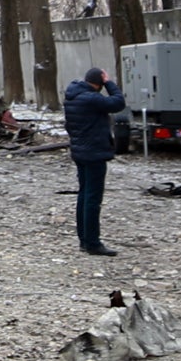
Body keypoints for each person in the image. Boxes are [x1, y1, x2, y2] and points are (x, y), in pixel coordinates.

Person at [63, 66, 126, 256]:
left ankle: (84, 239)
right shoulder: (92, 98)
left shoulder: (73, 96)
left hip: (80, 151)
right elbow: (118, 103)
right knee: (92, 198)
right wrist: (109, 83)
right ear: (98, 83)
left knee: (84, 195)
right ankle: (92, 242)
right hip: (94, 152)